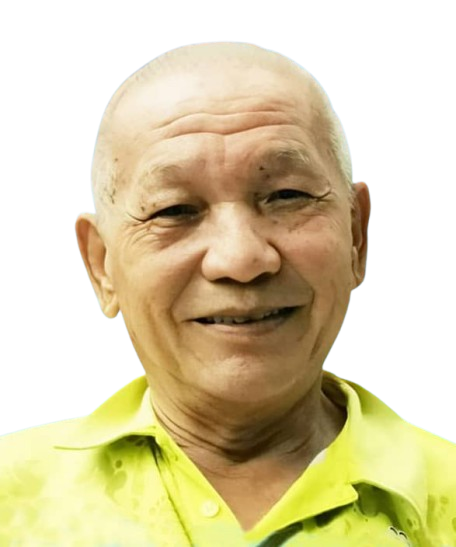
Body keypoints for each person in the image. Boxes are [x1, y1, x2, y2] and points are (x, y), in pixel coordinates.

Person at [0, 42, 454, 546]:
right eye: (174, 210)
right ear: (102, 266)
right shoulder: (10, 497)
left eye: (287, 196)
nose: (240, 259)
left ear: (356, 235)